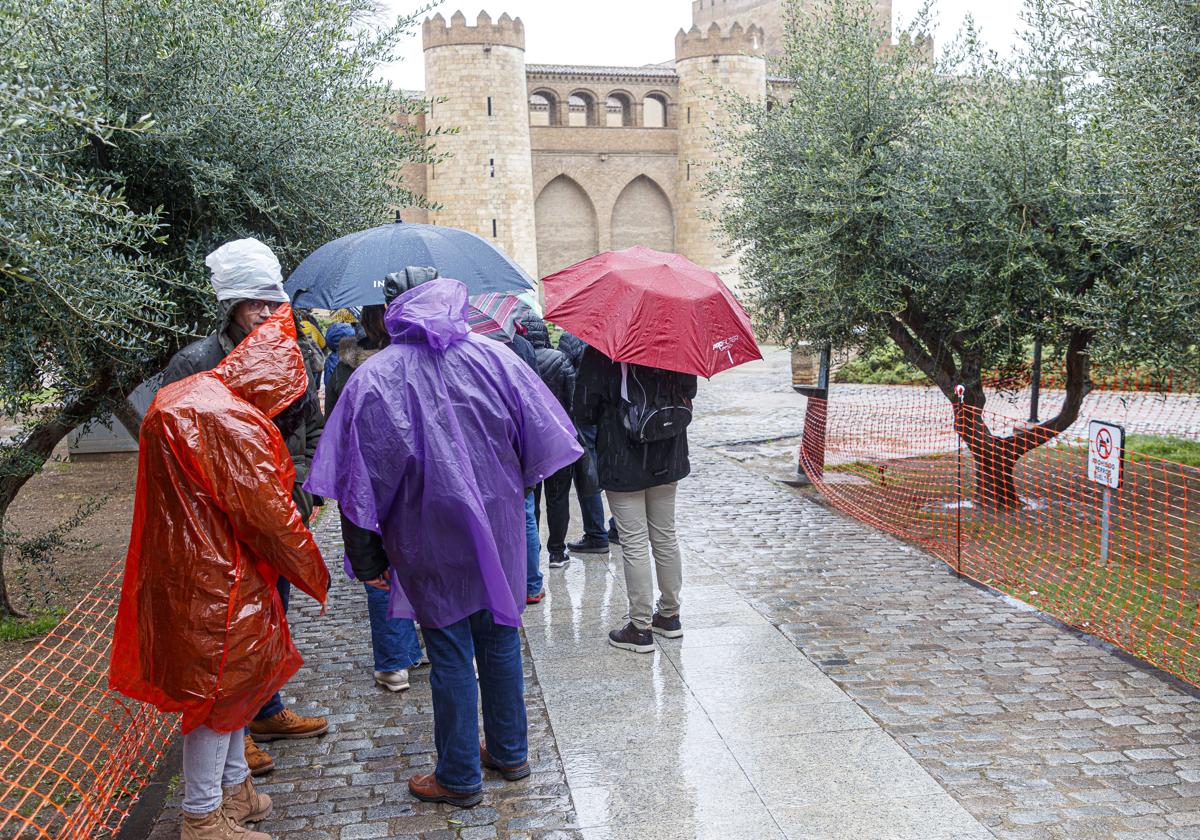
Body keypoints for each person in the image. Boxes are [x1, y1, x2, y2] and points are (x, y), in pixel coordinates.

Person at [306, 278, 581, 808]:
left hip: (425, 533)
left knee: (450, 646)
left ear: (393, 317)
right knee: (500, 636)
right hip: (497, 524)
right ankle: (509, 751)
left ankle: (458, 775)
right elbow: (541, 443)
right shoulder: (497, 361)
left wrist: (367, 558)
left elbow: (356, 481)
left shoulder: (374, 378)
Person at [110, 305, 330, 840]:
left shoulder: (188, 396)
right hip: (221, 578)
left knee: (234, 690)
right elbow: (268, 515)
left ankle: (236, 794)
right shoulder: (227, 418)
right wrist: (313, 572)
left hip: (189, 571)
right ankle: (204, 817)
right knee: (216, 697)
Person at [160, 238, 328, 775]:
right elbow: (173, 447)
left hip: (279, 516)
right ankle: (236, 736)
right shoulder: (195, 362)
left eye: (274, 302)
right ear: (231, 305)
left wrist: (301, 490)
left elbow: (310, 431)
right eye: (255, 303)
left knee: (273, 617)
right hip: (219, 530)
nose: (267, 312)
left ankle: (266, 711)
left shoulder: (295, 356)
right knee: (230, 633)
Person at [324, 304, 425, 692]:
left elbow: (337, 422)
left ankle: (393, 662)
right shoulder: (419, 358)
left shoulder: (347, 364)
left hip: (367, 471)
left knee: (378, 566)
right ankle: (421, 641)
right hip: (414, 473)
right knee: (415, 556)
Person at [573, 346, 698, 654]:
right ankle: (669, 615)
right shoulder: (676, 342)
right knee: (665, 535)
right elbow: (689, 390)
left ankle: (640, 628)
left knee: (634, 541)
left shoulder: (604, 349)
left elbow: (583, 409)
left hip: (622, 454)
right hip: (669, 450)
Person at [521, 314, 576, 569]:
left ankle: (533, 552)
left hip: (531, 441)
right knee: (558, 496)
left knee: (533, 498)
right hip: (558, 438)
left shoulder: (518, 361)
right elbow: (573, 401)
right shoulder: (560, 359)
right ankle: (557, 551)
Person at [558, 331, 617, 554]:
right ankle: (618, 526)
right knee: (612, 468)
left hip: (585, 415)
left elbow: (566, 374)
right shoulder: (615, 334)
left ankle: (595, 533)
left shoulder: (571, 337)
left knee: (587, 472)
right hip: (611, 415)